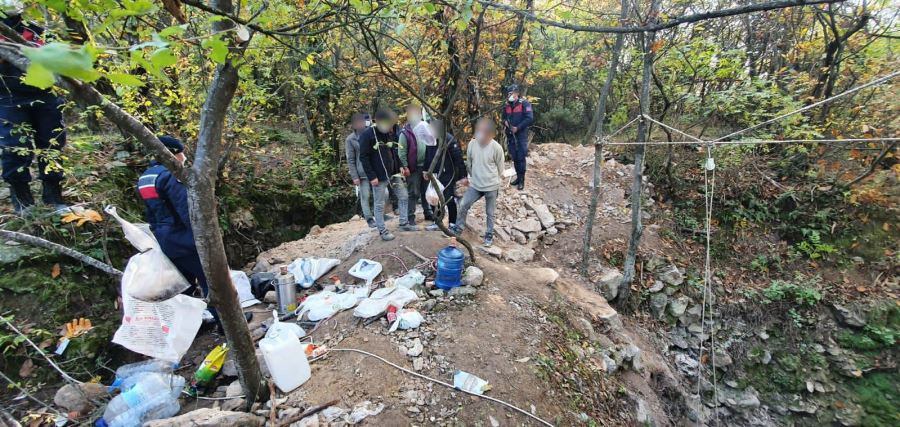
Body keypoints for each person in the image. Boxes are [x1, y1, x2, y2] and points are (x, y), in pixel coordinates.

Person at [0, 2, 68, 214]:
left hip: (44, 93)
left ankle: (53, 195)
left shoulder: (36, 29)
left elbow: (57, 57)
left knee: (52, 142)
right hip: (7, 96)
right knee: (13, 146)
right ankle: (22, 199)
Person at [137, 136, 214, 318]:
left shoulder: (146, 178)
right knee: (211, 283)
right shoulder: (170, 176)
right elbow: (188, 211)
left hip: (166, 241)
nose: (184, 156)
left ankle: (189, 325)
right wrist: (204, 239)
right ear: (172, 153)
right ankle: (225, 325)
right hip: (186, 239)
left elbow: (151, 215)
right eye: (181, 152)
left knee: (183, 285)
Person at [358, 109, 419, 241]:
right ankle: (382, 230)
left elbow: (392, 151)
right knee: (379, 204)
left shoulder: (387, 134)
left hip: (393, 173)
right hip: (378, 176)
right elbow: (363, 157)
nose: (390, 127)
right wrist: (371, 176)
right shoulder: (367, 135)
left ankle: (404, 223)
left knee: (403, 196)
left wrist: (400, 166)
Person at [454, 118, 504, 247]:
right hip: (475, 185)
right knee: (464, 204)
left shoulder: (496, 148)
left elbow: (500, 168)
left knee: (490, 213)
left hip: (491, 186)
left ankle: (488, 236)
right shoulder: (472, 144)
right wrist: (472, 176)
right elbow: (469, 162)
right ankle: (458, 228)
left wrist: (493, 180)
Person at [423, 119, 465, 231]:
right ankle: (437, 221)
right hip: (434, 174)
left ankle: (452, 223)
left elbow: (458, 158)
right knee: (433, 198)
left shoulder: (449, 139)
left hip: (448, 174)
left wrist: (463, 176)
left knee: (449, 198)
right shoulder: (430, 139)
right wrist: (425, 170)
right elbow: (427, 155)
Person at [398, 103, 436, 225]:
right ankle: (411, 216)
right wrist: (405, 166)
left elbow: (432, 144)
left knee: (426, 191)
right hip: (413, 168)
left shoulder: (426, 128)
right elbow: (401, 151)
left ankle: (428, 212)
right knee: (413, 193)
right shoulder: (405, 133)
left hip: (426, 167)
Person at [501, 83, 534, 191]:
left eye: (511, 93)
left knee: (521, 157)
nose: (509, 95)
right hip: (510, 135)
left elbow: (529, 118)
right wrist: (505, 122)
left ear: (517, 93)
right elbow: (503, 118)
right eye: (509, 93)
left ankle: (522, 180)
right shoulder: (507, 105)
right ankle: (518, 177)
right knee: (514, 157)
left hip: (521, 135)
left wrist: (518, 128)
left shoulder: (524, 104)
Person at [345, 113, 375, 228]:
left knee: (384, 193)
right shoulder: (350, 139)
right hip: (361, 172)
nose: (361, 124)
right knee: (365, 195)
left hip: (373, 169)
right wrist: (354, 176)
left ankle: (380, 214)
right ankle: (369, 218)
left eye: (362, 122)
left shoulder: (371, 133)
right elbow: (350, 159)